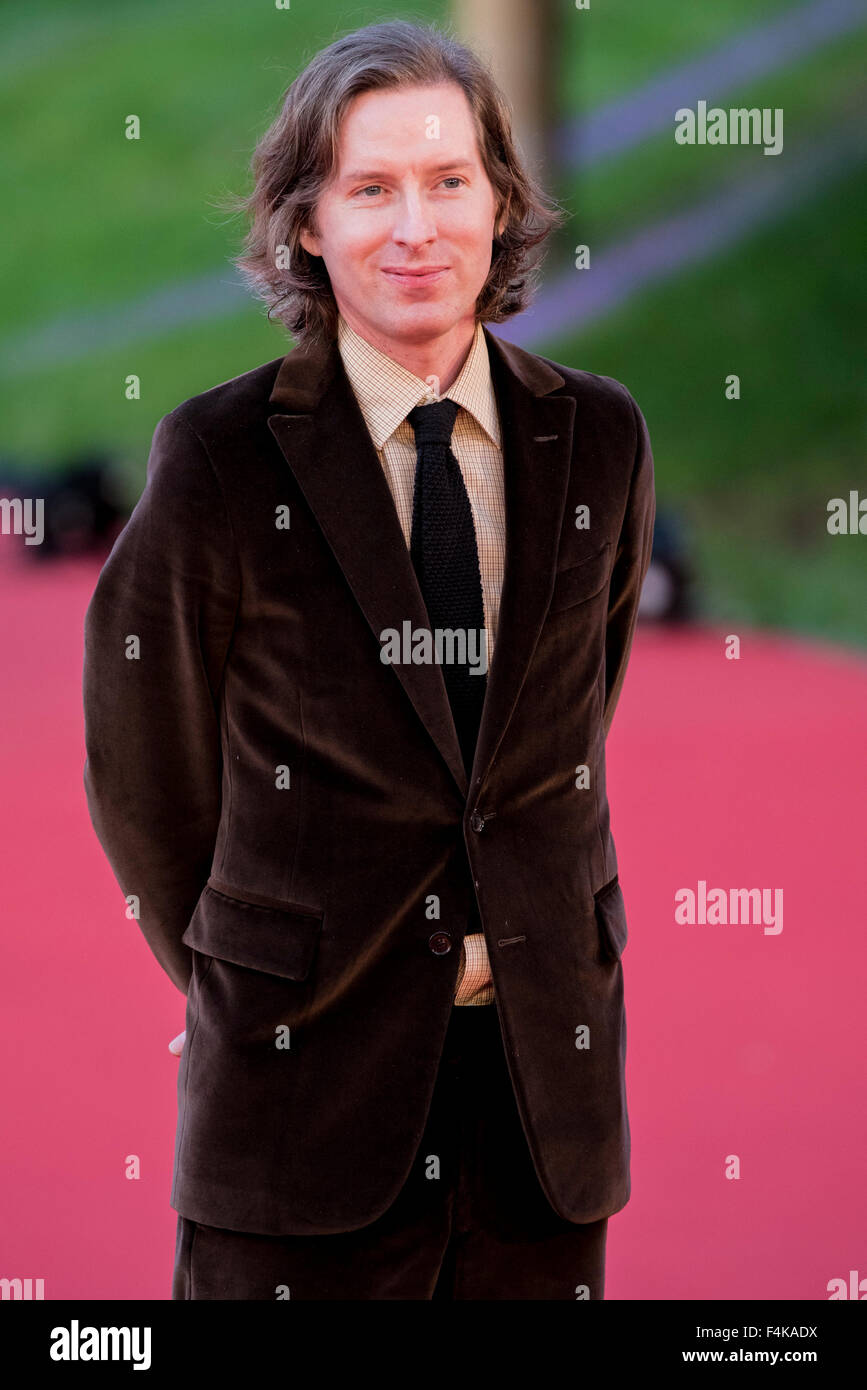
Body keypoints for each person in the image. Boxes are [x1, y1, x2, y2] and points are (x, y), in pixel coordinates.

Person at [82, 19, 655, 1300]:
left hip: (540, 1112)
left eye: (451, 181)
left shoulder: (601, 440)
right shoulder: (220, 458)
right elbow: (139, 768)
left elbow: (562, 726)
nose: (418, 228)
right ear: (305, 224)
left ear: (502, 201)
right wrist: (263, 973)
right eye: (371, 189)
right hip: (299, 1101)